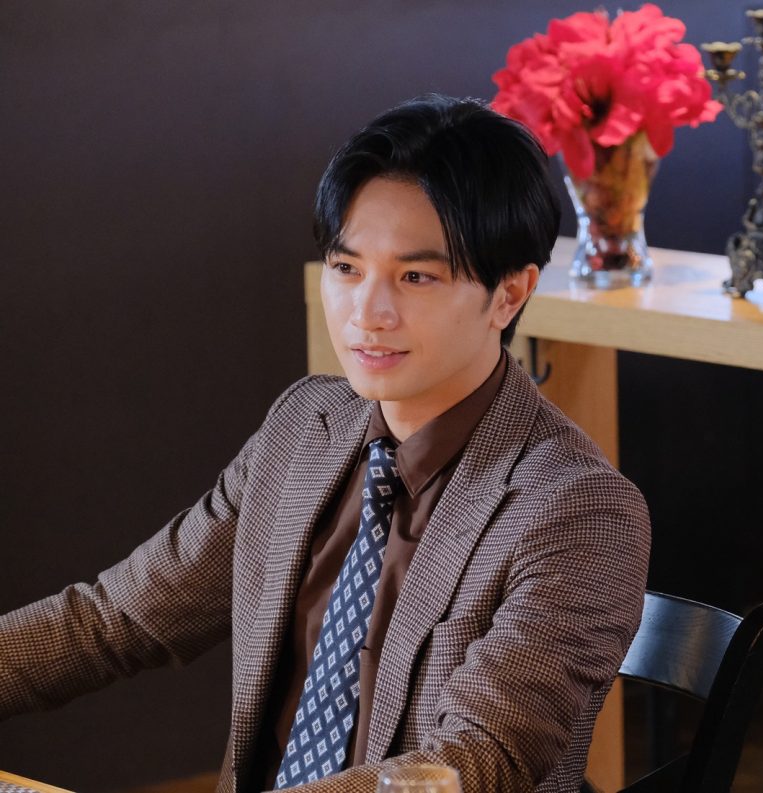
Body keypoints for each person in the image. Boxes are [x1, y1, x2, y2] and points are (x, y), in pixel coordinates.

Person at [0, 96, 650, 792]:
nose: (367, 313)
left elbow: (467, 764)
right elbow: (118, 619)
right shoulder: (304, 427)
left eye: (416, 276)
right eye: (346, 268)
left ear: (510, 294)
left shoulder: (580, 511)